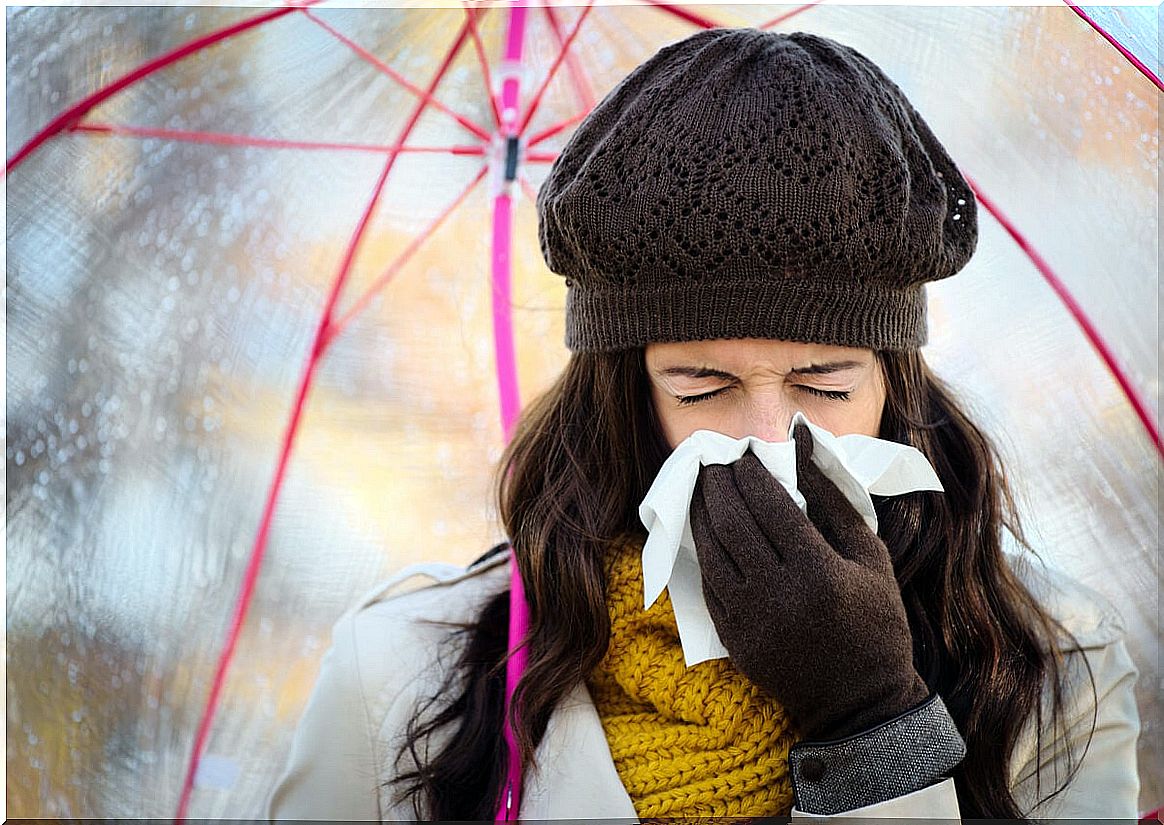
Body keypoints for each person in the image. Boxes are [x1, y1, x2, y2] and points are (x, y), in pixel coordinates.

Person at [265, 27, 1141, 821]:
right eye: (701, 383)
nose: (766, 441)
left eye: (825, 384)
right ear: (622, 399)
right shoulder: (402, 678)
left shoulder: (1054, 670)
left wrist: (877, 723)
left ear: (896, 386)